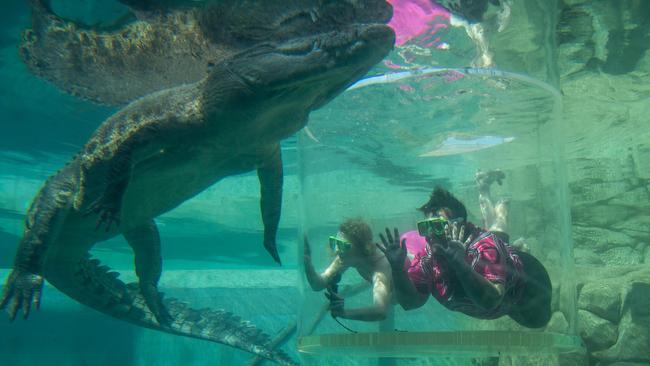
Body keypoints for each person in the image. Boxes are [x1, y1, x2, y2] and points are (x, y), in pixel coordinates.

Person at [377, 171, 552, 328]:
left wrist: (459, 264)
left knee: (538, 322)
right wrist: (398, 269)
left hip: (530, 284)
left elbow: (491, 301)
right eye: (425, 227)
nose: (430, 235)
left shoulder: (485, 246)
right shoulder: (428, 259)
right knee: (500, 238)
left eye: (437, 226)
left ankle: (501, 209)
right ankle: (488, 197)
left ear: (459, 224)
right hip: (506, 295)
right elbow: (410, 303)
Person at [303, 218, 393, 322]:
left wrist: (344, 313)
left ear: (362, 248)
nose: (337, 249)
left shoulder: (380, 267)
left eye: (342, 245)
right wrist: (308, 265)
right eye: (335, 242)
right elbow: (318, 285)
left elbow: (380, 312)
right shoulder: (346, 257)